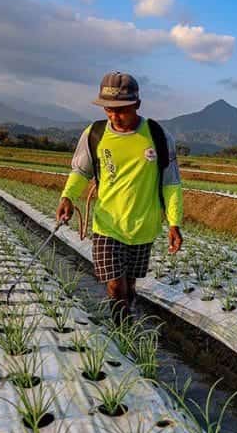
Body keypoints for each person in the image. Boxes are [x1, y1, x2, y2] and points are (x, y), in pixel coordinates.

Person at [56, 71, 183, 321]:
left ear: (137, 104)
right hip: (107, 225)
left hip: (143, 226)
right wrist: (67, 197)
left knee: (130, 285)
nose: (114, 116)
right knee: (115, 286)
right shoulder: (95, 134)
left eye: (121, 110)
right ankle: (121, 330)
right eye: (108, 110)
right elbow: (81, 171)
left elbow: (171, 184)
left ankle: (126, 324)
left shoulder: (157, 136)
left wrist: (174, 222)